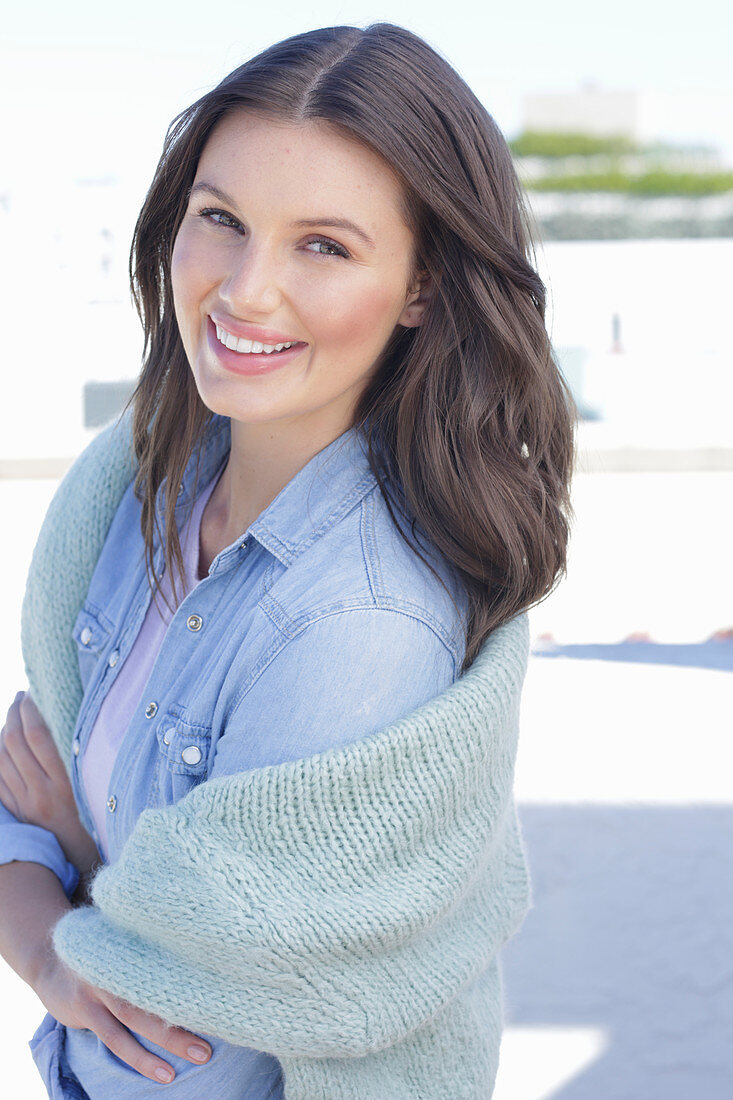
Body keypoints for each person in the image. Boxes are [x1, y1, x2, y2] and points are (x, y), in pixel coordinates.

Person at [0, 21, 576, 1100]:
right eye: (220, 220)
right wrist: (73, 916)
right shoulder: (130, 491)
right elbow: (18, 799)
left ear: (422, 287)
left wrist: (62, 883)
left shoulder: (359, 622)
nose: (246, 290)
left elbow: (172, 1054)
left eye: (323, 244)